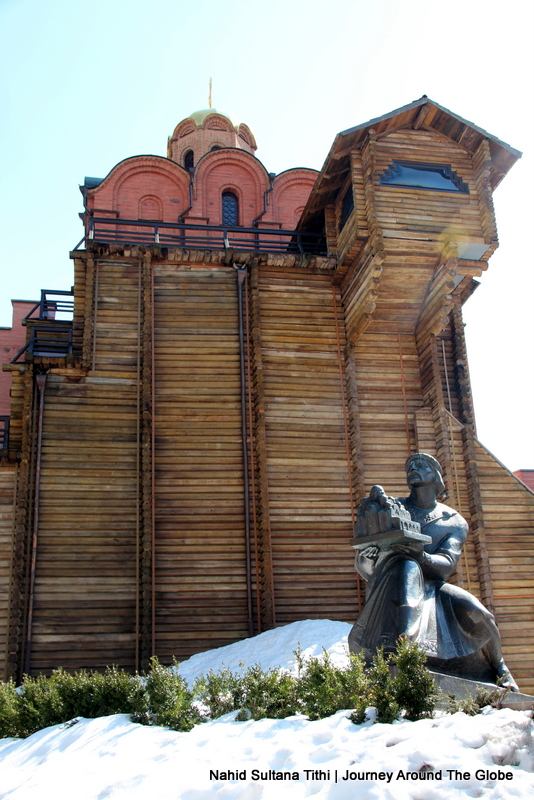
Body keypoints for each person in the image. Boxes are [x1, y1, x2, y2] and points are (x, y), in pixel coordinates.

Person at [348, 453, 518, 691]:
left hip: (433, 586)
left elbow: (446, 565)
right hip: (393, 581)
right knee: (406, 570)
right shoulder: (394, 508)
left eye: (421, 465)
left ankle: (499, 668)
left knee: (478, 613)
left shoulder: (453, 521)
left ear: (436, 476)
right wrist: (368, 554)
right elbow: (366, 569)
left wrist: (419, 554)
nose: (413, 469)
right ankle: (399, 654)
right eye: (409, 466)